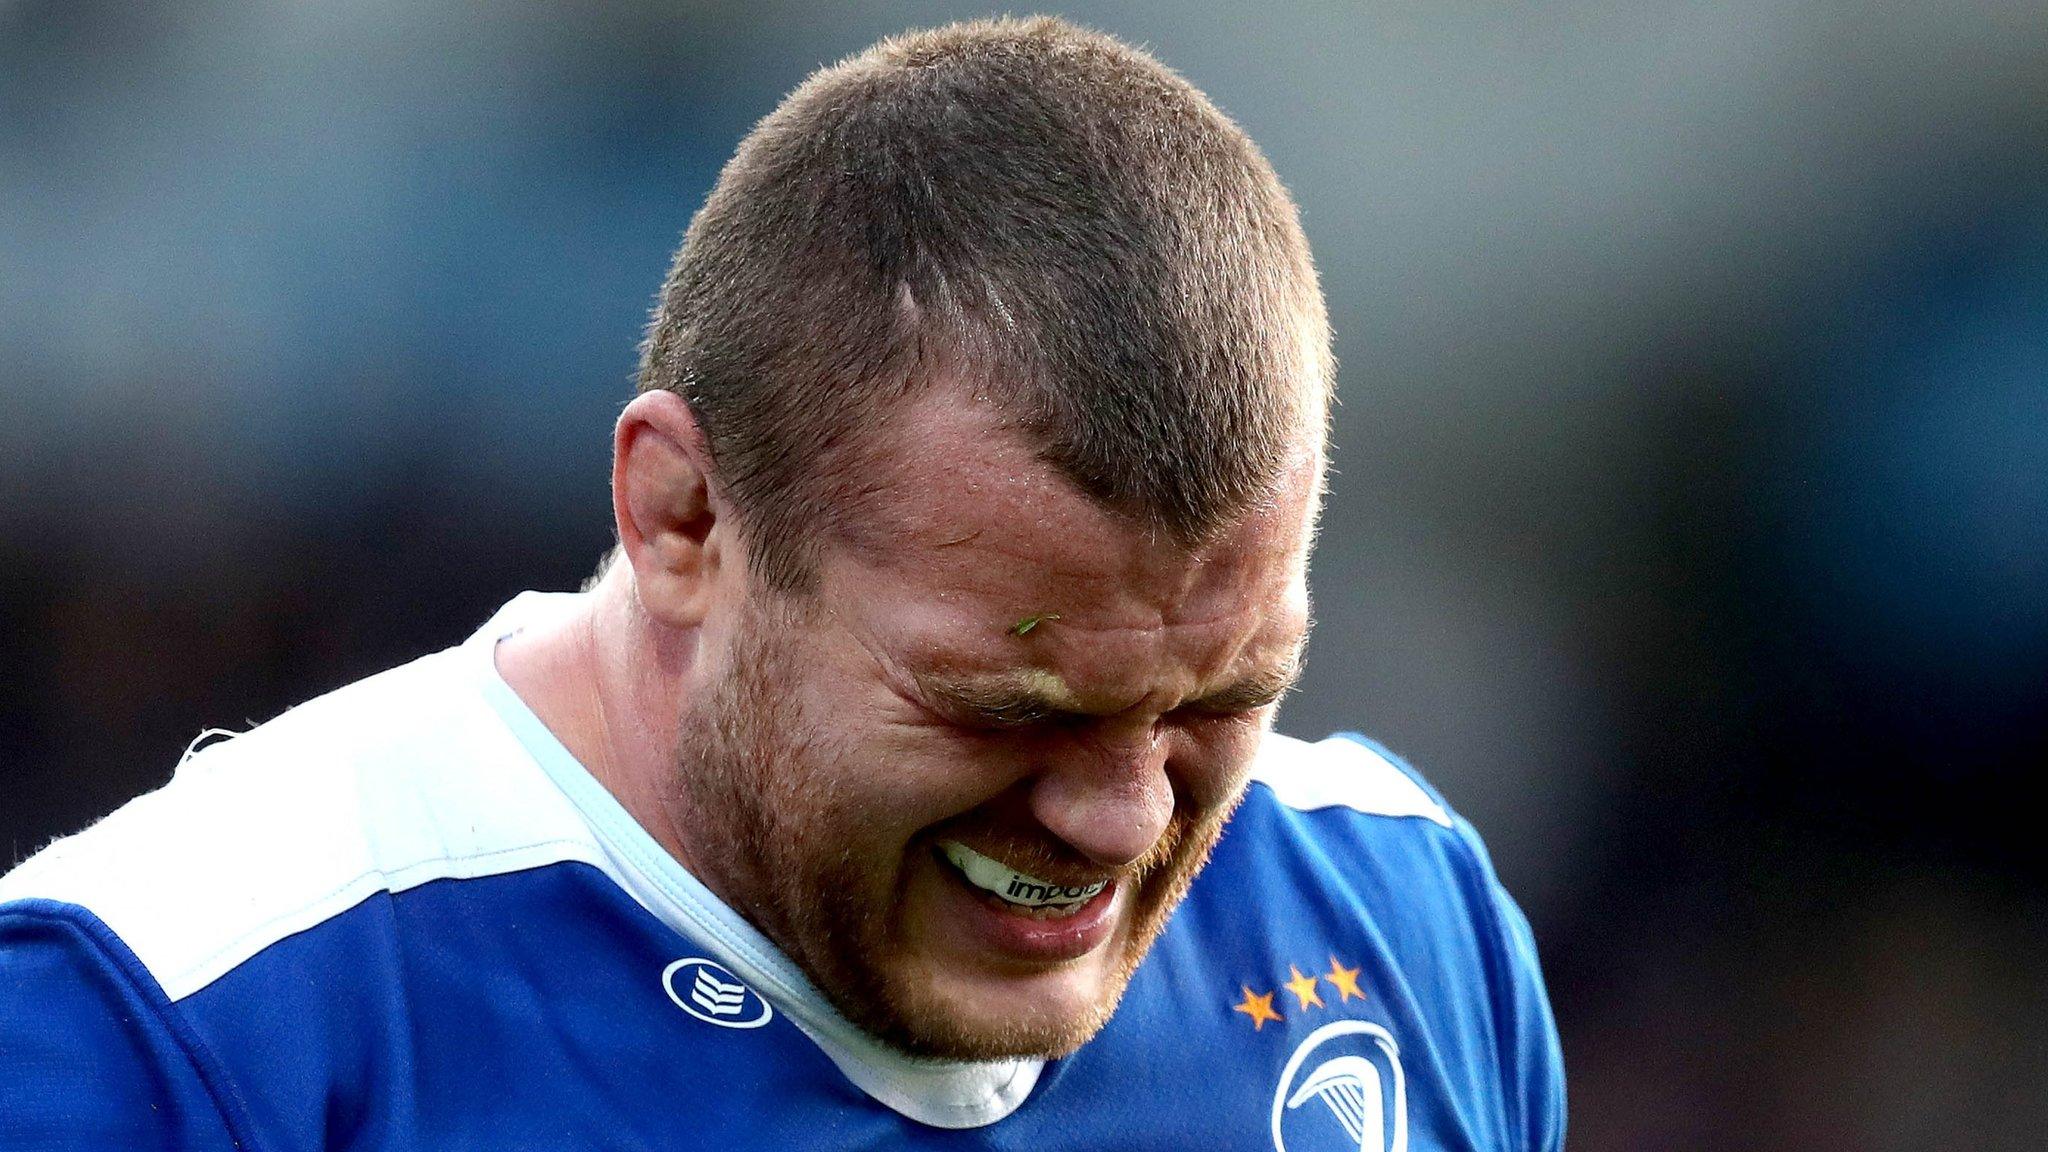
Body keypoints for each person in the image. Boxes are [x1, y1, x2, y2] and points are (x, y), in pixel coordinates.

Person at [0, 17, 1562, 1151]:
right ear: (682, 520)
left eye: (1219, 697)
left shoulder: (1394, 909)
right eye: (1001, 705)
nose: (1123, 817)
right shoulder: (162, 1028)